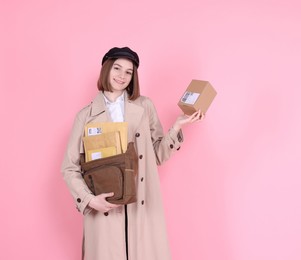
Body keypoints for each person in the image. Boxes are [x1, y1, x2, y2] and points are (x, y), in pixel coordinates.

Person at [61, 46, 203, 260]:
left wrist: (177, 126)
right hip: (105, 209)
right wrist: (90, 200)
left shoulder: (145, 106)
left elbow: (156, 155)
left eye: (129, 71)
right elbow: (69, 168)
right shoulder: (85, 116)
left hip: (141, 205)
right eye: (117, 68)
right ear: (106, 69)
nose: (122, 76)